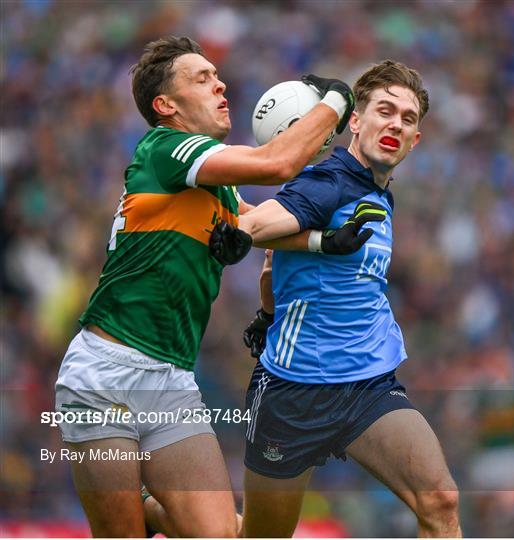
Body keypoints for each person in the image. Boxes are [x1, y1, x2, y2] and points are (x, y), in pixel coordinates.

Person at [53, 35, 356, 538]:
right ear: (165, 105)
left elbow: (263, 224)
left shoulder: (217, 185)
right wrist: (335, 100)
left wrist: (326, 241)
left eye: (217, 76)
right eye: (201, 78)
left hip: (170, 381)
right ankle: (143, 510)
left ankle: (149, 505)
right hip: (102, 378)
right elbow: (276, 165)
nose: (220, 85)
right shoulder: (165, 148)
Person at [213, 60, 462, 537]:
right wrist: (244, 229)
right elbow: (265, 223)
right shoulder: (330, 182)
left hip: (367, 386)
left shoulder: (380, 193)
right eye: (384, 111)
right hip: (293, 393)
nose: (395, 123)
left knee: (441, 501)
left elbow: (273, 265)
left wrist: (267, 312)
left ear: (416, 140)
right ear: (355, 121)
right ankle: (162, 514)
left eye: (408, 119)